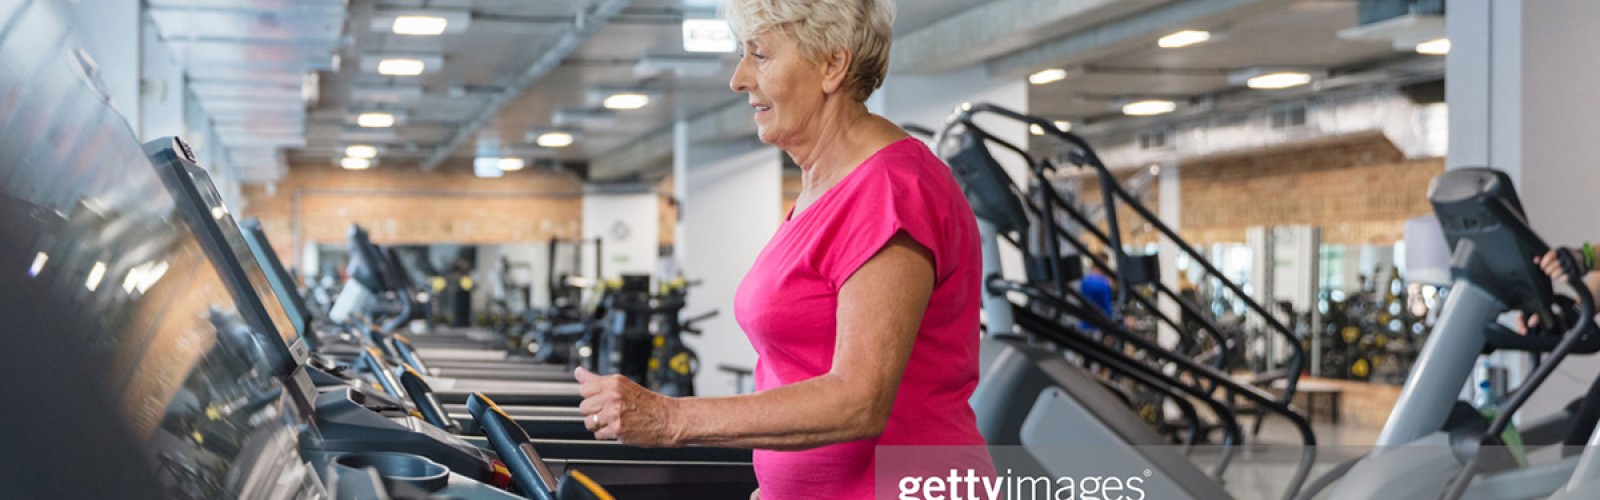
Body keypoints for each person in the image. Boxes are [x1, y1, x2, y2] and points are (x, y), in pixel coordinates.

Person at [571, 0, 990, 498]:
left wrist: (671, 418)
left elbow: (858, 400)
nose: (739, 78)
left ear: (833, 63)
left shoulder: (891, 189)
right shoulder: (825, 188)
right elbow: (800, 370)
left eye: (760, 55)